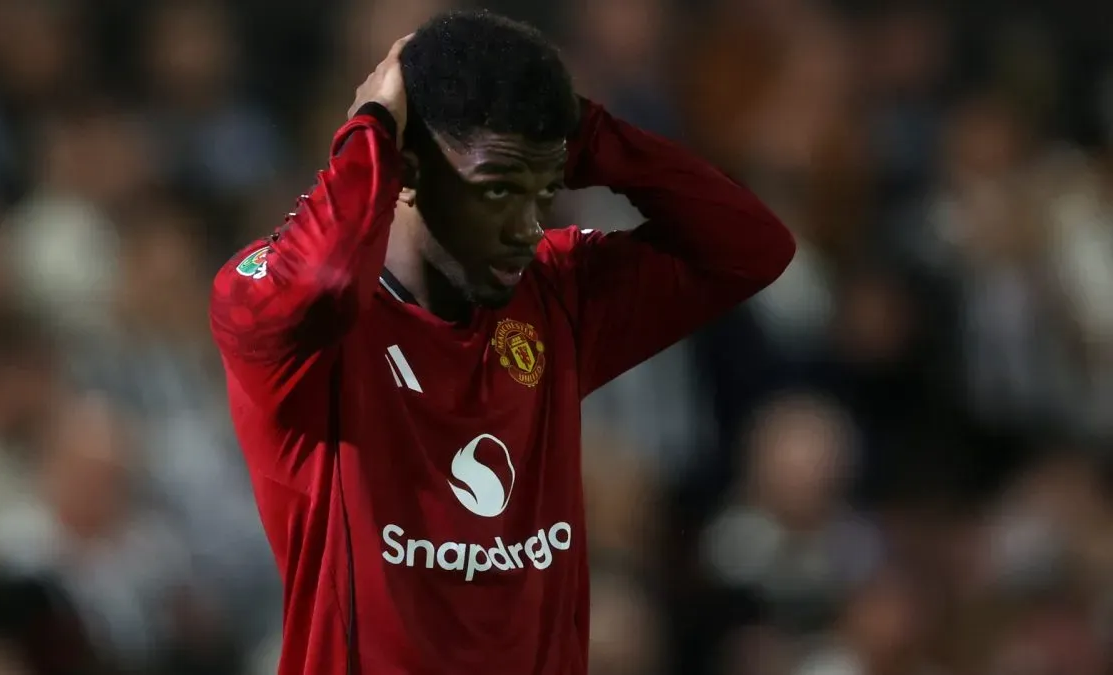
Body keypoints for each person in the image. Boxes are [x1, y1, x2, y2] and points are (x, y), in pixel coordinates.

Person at [209, 10, 795, 675]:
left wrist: (594, 137)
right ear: (407, 167)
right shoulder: (293, 322)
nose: (525, 227)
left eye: (543, 191)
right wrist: (368, 131)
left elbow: (752, 248)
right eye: (498, 190)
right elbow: (322, 282)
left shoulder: (554, 291)